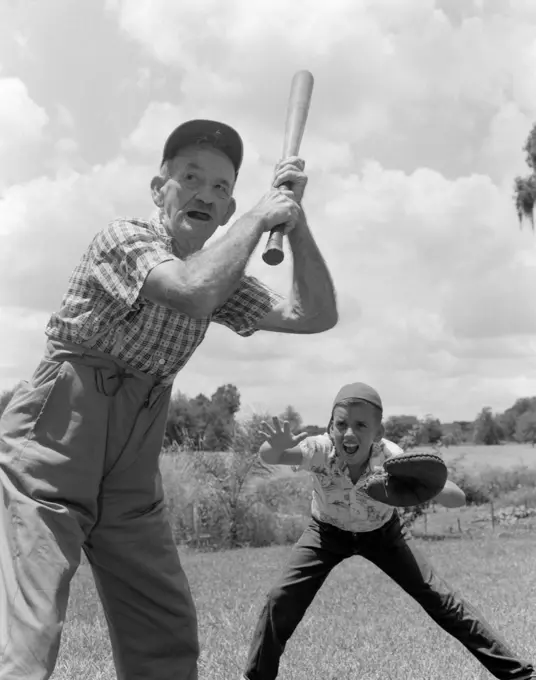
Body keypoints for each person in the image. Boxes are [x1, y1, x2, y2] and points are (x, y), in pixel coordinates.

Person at [0, 119, 338, 680]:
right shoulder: (124, 238)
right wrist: (260, 214)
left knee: (164, 625)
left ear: (226, 210)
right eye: (191, 177)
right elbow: (189, 290)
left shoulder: (222, 270)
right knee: (35, 623)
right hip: (58, 434)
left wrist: (294, 223)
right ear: (161, 189)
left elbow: (315, 315)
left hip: (135, 444)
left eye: (222, 187)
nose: (206, 193)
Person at [241, 382, 536, 680]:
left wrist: (429, 486)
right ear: (331, 426)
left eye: (360, 425)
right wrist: (277, 445)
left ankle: (520, 675)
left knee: (442, 599)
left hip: (383, 534)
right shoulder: (319, 449)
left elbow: (456, 497)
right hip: (325, 534)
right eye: (341, 424)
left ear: (378, 433)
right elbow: (271, 456)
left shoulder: (392, 458)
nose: (349, 433)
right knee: (280, 599)